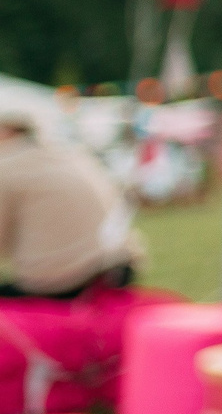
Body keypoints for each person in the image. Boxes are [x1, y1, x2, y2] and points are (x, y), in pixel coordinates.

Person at [0, 99, 139, 296]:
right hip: (120, 266)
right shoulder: (68, 153)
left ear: (7, 130)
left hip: (65, 279)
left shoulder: (7, 163)